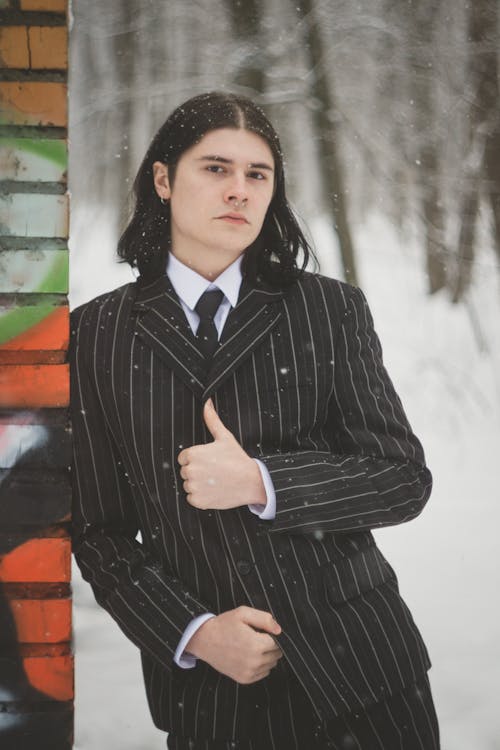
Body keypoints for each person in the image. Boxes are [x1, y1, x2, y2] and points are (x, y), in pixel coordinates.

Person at [70, 91, 440, 749]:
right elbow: (99, 532)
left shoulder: (327, 310)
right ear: (162, 178)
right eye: (216, 168)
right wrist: (194, 633)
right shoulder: (98, 334)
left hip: (364, 674)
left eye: (257, 174)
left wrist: (263, 482)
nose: (238, 190)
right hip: (218, 696)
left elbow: (401, 478)